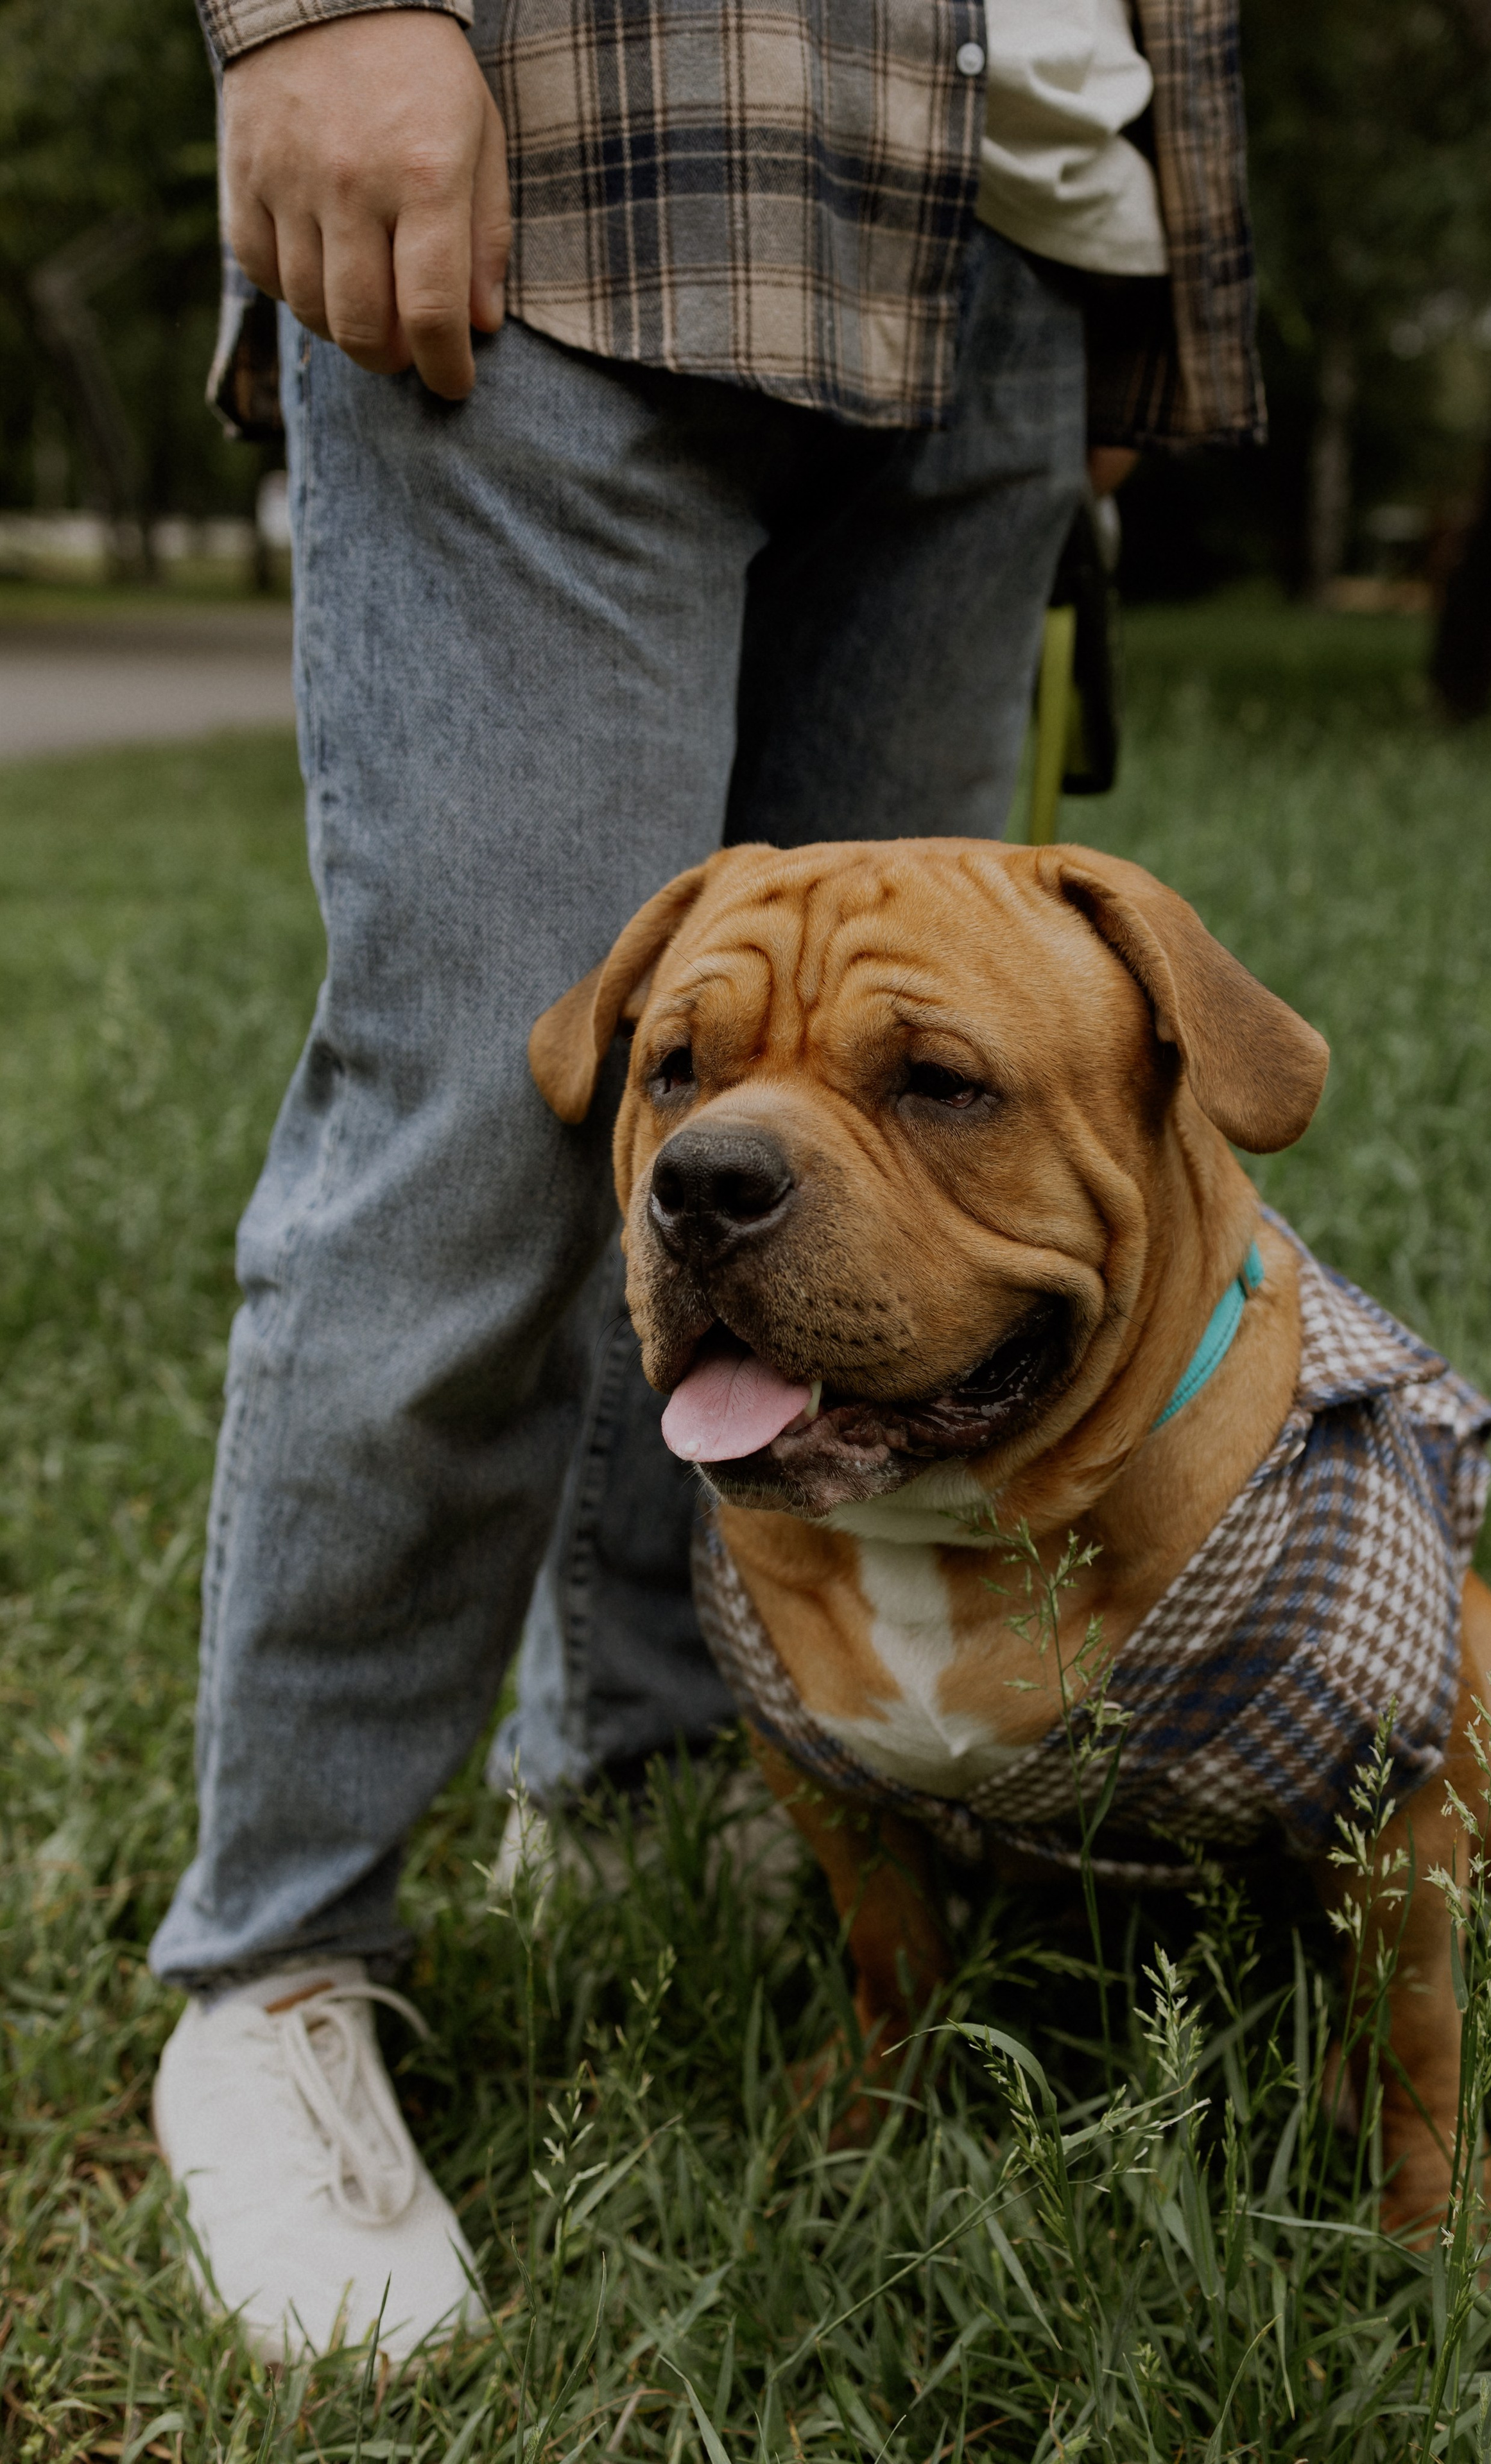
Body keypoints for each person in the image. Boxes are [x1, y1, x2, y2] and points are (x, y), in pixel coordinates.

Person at [149, 0, 1264, 2363]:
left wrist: (1131, 243)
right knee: (497, 1117)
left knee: (845, 1193)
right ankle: (278, 1961)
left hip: (1014, 217)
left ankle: (652, 1758)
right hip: (585, 147)